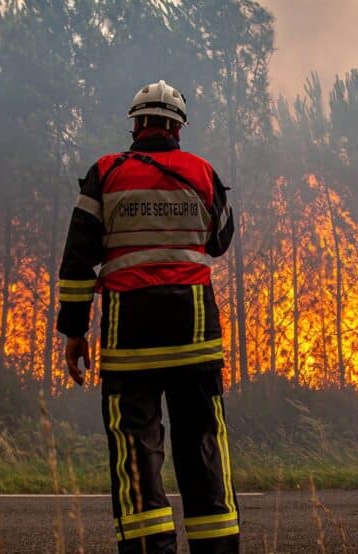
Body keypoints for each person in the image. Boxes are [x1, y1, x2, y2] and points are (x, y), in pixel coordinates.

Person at [56, 80, 239, 554]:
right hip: (195, 335)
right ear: (178, 128)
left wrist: (74, 332)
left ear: (135, 125)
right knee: (202, 447)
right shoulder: (202, 173)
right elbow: (219, 241)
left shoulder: (105, 172)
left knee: (135, 453)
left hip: (129, 338)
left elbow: (78, 260)